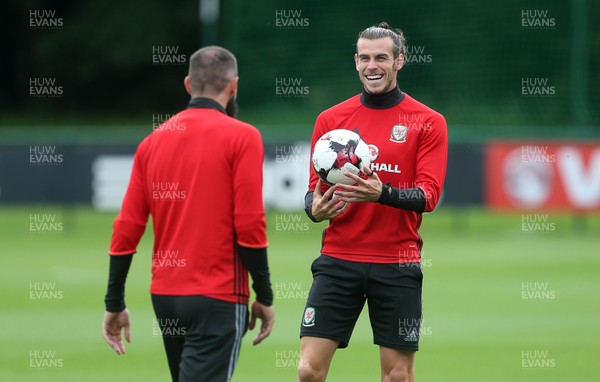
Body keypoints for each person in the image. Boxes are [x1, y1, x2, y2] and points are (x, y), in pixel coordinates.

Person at [101, 46, 275, 382]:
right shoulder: (244, 136)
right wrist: (264, 294)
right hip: (218, 296)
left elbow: (126, 228)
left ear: (187, 84)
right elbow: (250, 223)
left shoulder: (152, 141)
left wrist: (114, 301)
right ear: (234, 86)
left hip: (166, 298)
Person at [298, 22, 448, 382]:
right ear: (355, 62)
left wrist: (382, 194)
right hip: (338, 260)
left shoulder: (428, 122)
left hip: (397, 264)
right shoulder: (331, 121)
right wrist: (313, 210)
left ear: (399, 61)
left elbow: (428, 196)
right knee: (307, 372)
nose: (372, 65)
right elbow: (311, 192)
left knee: (397, 375)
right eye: (364, 58)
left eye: (381, 57)